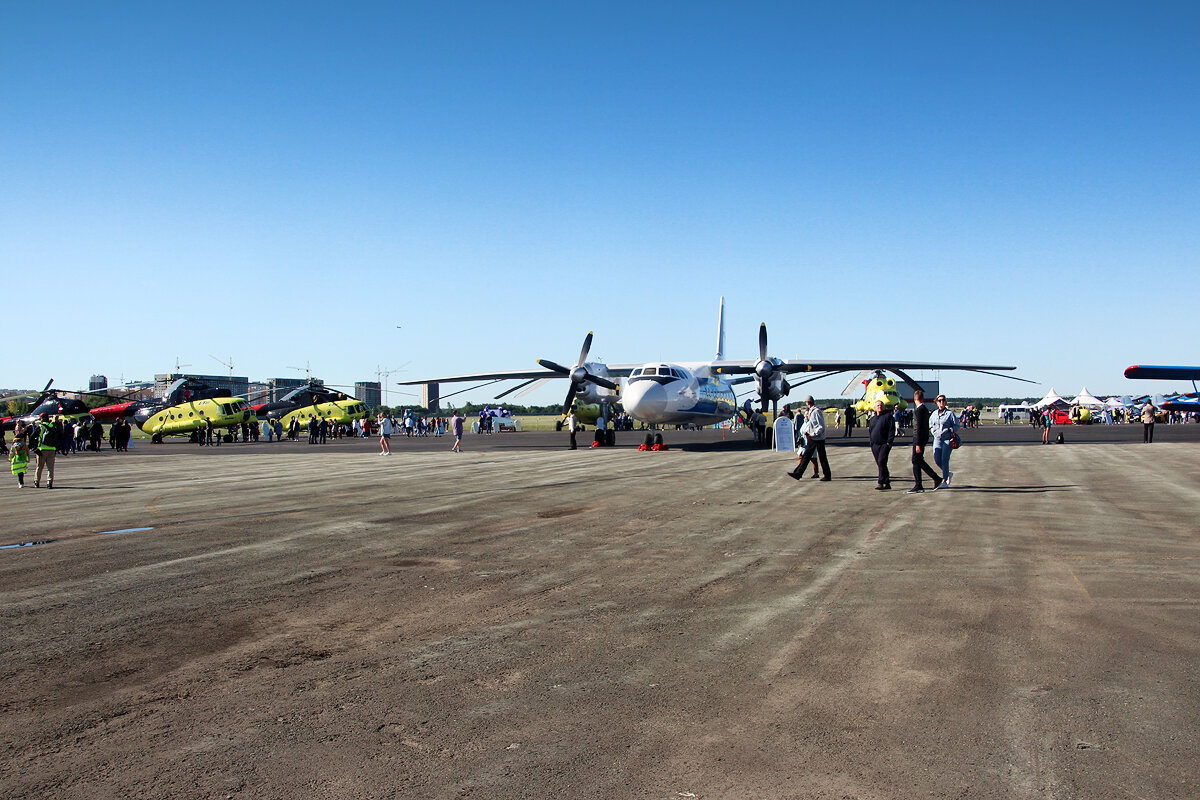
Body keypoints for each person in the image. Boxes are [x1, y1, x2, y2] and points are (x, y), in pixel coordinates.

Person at [788, 396, 831, 481]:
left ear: (808, 402)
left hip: (817, 438)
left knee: (822, 457)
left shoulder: (816, 411)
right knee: (806, 456)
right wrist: (808, 432)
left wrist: (813, 434)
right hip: (813, 437)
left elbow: (821, 426)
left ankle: (827, 475)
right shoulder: (811, 411)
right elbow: (812, 424)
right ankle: (798, 473)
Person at [908, 389, 941, 493]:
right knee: (918, 460)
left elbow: (918, 428)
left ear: (915, 399)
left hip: (918, 439)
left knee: (916, 460)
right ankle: (928, 481)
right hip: (923, 438)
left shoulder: (919, 410)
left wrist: (918, 443)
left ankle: (922, 483)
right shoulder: (925, 409)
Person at [930, 394, 959, 488]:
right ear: (936, 402)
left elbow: (957, 425)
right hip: (937, 438)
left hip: (947, 439)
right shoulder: (934, 414)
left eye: (943, 400)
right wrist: (932, 431)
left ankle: (945, 480)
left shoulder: (950, 414)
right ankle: (948, 473)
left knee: (944, 459)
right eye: (939, 400)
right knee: (937, 459)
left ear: (945, 402)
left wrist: (951, 430)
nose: (941, 402)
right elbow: (930, 424)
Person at [868, 400, 895, 490]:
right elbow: (870, 431)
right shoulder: (872, 420)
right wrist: (871, 443)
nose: (879, 407)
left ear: (884, 407)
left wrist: (889, 442)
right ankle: (887, 482)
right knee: (881, 464)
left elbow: (892, 430)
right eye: (878, 405)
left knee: (881, 462)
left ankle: (880, 482)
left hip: (884, 444)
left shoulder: (888, 417)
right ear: (875, 407)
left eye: (881, 405)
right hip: (875, 445)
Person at [33, 412, 58, 488]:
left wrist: (34, 447)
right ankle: (49, 483)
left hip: (42, 449)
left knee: (39, 467)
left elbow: (32, 436)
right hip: (52, 449)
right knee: (50, 468)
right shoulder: (53, 426)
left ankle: (37, 481)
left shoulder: (41, 426)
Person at [10, 423, 29, 488]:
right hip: (23, 459)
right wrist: (28, 459)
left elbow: (12, 453)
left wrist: (10, 458)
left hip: (16, 459)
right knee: (21, 472)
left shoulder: (14, 445)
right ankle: (21, 482)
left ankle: (20, 483)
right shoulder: (24, 445)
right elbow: (27, 452)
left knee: (19, 472)